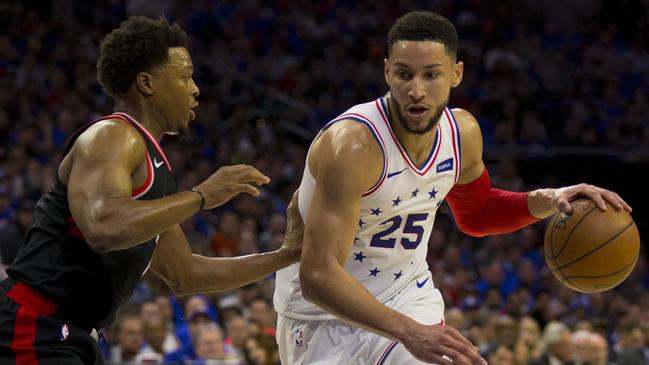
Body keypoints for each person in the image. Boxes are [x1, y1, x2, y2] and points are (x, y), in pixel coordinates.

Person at [273, 11, 631, 365]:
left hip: (405, 296)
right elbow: (317, 275)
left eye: (431, 75)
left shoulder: (462, 134)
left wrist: (549, 199)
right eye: (403, 74)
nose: (416, 90)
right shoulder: (352, 146)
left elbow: (477, 214)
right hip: (322, 316)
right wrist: (409, 332)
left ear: (456, 74)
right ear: (386, 72)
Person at [0, 16, 303, 365]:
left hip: (73, 335)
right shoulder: (111, 136)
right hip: (33, 325)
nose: (195, 89)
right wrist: (201, 196)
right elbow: (104, 227)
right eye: (185, 76)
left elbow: (185, 274)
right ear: (147, 83)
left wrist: (285, 255)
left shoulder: (156, 172)